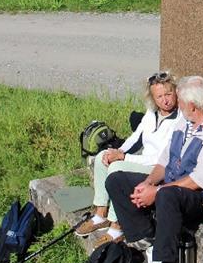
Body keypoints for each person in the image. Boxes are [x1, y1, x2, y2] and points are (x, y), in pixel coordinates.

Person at [105, 75, 203, 263]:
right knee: (116, 180)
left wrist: (156, 192)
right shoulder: (184, 121)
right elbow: (164, 161)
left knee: (167, 194)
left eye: (180, 101)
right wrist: (149, 182)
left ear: (193, 106)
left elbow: (198, 181)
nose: (175, 104)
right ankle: (146, 235)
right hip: (172, 185)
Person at [76, 70, 180, 243]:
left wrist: (124, 159)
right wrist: (119, 151)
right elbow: (136, 135)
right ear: (153, 98)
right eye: (159, 96)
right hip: (143, 160)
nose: (165, 100)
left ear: (176, 92)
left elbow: (160, 159)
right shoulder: (152, 112)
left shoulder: (179, 120)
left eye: (168, 94)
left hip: (157, 168)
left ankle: (117, 225)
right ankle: (101, 214)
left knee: (116, 169)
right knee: (103, 156)